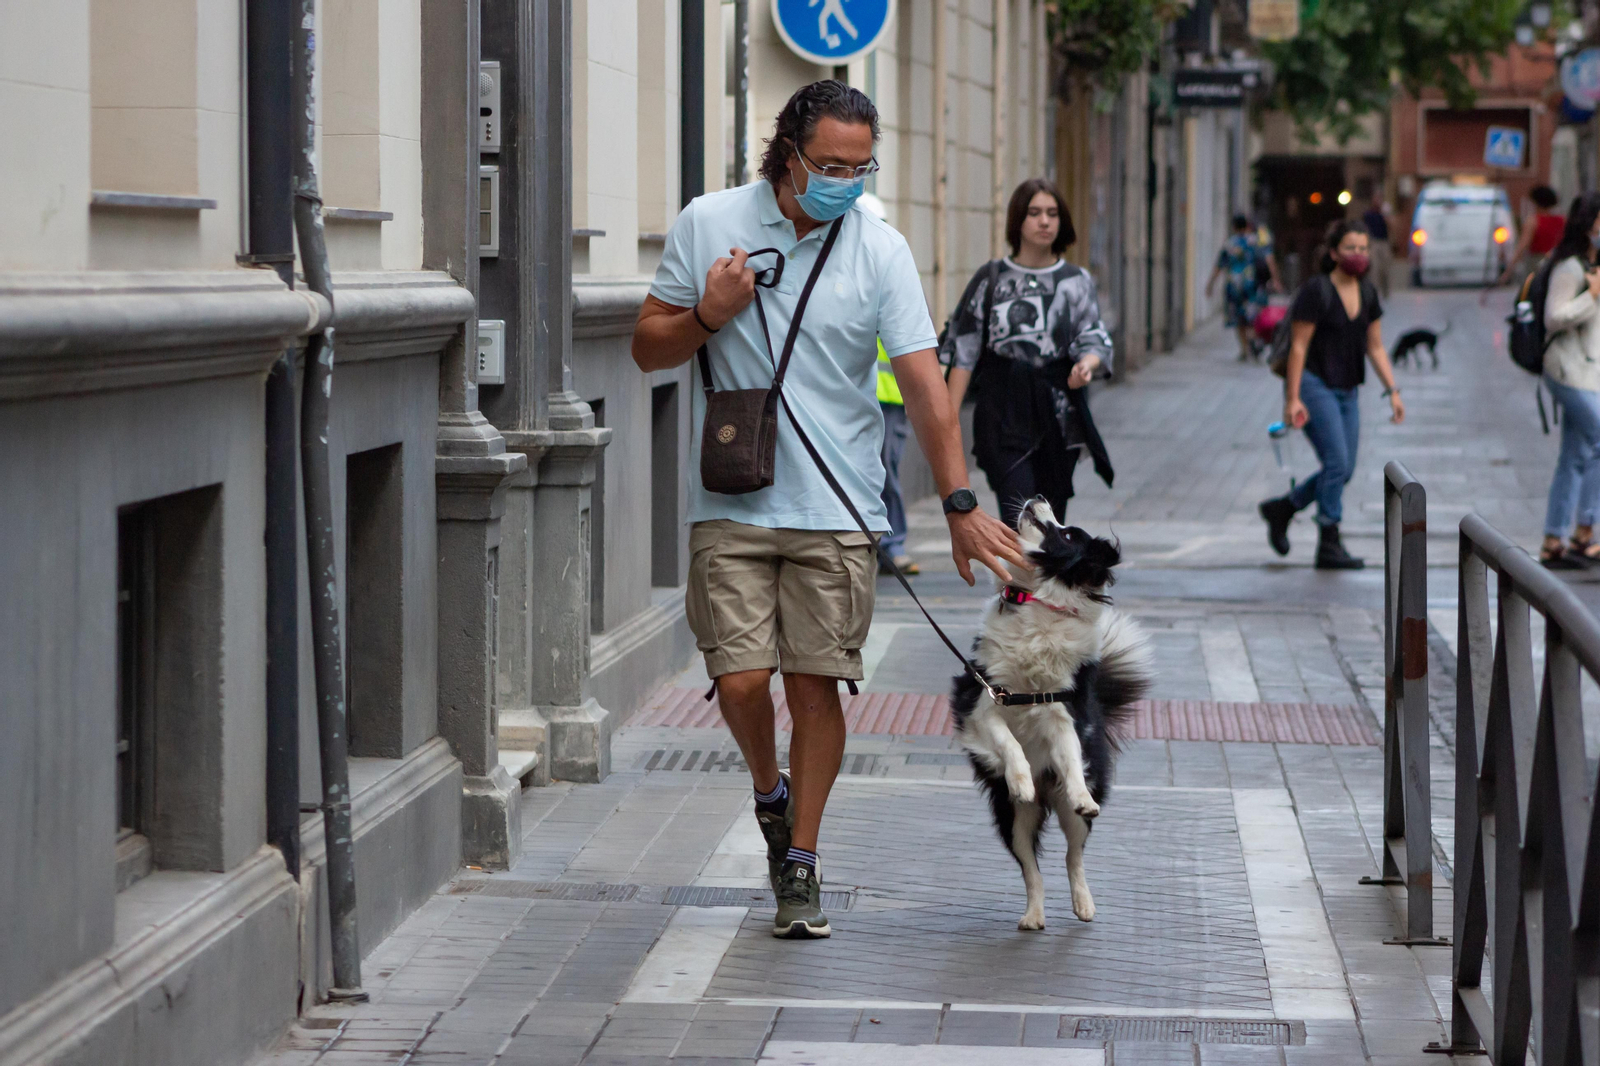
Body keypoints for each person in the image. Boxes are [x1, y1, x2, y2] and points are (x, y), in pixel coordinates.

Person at [631, 80, 1022, 939]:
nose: (845, 178)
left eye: (860, 164)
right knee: (738, 682)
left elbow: (924, 386)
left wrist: (957, 503)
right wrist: (709, 311)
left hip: (840, 505)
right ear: (788, 154)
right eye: (829, 164)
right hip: (733, 493)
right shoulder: (709, 222)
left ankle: (798, 861)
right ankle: (768, 788)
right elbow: (646, 346)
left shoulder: (879, 248)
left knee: (815, 686)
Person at [941, 178, 1115, 529]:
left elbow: (1094, 337)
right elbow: (964, 351)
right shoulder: (992, 279)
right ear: (1018, 220)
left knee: (1051, 526)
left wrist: (1087, 365)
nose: (1044, 221)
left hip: (1058, 416)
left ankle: (1039, 586)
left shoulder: (1076, 280)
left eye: (1052, 213)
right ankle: (1021, 585)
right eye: (1034, 213)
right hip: (1002, 417)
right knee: (1020, 520)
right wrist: (946, 427)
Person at [1258, 219, 1406, 569]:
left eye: (1363, 249)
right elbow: (1297, 347)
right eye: (1351, 248)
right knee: (1337, 463)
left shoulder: (1368, 293)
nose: (1358, 255)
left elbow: (1376, 347)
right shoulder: (1316, 291)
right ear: (1335, 252)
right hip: (1313, 383)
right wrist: (1292, 399)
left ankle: (1284, 508)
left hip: (1348, 389)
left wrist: (1393, 391)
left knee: (1345, 468)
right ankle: (1328, 541)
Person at [1536, 192, 1600, 569]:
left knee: (1574, 456)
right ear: (1587, 223)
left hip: (1588, 373)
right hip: (1564, 371)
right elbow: (1554, 317)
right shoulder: (1569, 268)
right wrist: (1589, 296)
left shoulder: (1594, 267)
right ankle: (1584, 530)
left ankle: (1553, 541)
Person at [1206, 214, 1282, 360]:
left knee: (1238, 319)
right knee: (1254, 316)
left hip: (1234, 286)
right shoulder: (1256, 242)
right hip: (1253, 286)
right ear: (1247, 225)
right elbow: (1270, 261)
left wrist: (1210, 285)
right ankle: (1254, 338)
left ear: (1234, 227)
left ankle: (1244, 349)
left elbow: (1219, 266)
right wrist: (1275, 280)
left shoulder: (1229, 244)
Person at [1497, 184, 1565, 289]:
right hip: (1556, 263)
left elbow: (1522, 246)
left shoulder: (1533, 221)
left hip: (1536, 264)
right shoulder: (1562, 220)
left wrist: (1508, 271)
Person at [1360, 194, 1392, 298]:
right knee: (1374, 268)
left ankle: (1386, 291)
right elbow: (1364, 228)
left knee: (1385, 268)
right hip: (1373, 242)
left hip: (1384, 242)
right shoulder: (1368, 214)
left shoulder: (1384, 214)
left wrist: (1385, 215)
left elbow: (1391, 227)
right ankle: (1374, 292)